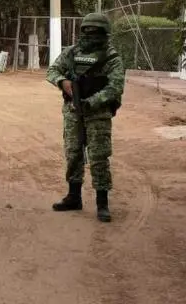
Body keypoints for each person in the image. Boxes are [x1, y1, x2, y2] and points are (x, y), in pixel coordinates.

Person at [45, 12, 125, 222]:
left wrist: (92, 101)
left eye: (95, 31)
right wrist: (63, 82)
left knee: (99, 157)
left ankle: (102, 203)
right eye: (87, 31)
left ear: (104, 33)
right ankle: (73, 197)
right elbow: (52, 70)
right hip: (73, 112)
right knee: (73, 154)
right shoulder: (72, 53)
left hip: (98, 115)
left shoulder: (111, 57)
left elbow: (115, 87)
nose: (91, 35)